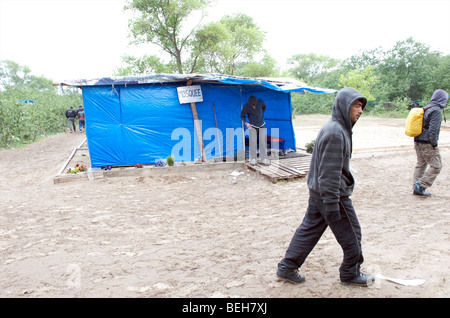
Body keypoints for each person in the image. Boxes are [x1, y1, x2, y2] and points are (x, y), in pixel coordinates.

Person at [276, 87, 375, 287]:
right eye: (356, 105)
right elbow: (329, 172)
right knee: (352, 234)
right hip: (332, 196)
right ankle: (350, 273)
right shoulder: (336, 132)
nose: (360, 110)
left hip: (320, 193)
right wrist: (331, 204)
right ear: (344, 106)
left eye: (361, 106)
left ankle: (287, 267)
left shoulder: (336, 127)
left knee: (309, 229)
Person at [413, 89, 448, 197]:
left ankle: (416, 187)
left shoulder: (426, 107)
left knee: (421, 164)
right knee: (437, 166)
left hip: (418, 141)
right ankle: (421, 185)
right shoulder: (436, 110)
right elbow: (433, 129)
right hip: (427, 143)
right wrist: (434, 143)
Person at [240, 96, 269, 165]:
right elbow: (242, 115)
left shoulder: (260, 102)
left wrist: (261, 114)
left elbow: (264, 108)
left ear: (256, 101)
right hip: (252, 126)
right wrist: (246, 123)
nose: (253, 105)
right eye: (252, 104)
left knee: (262, 141)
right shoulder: (246, 106)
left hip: (262, 125)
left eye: (254, 104)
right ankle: (253, 159)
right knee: (253, 142)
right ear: (249, 103)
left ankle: (264, 159)